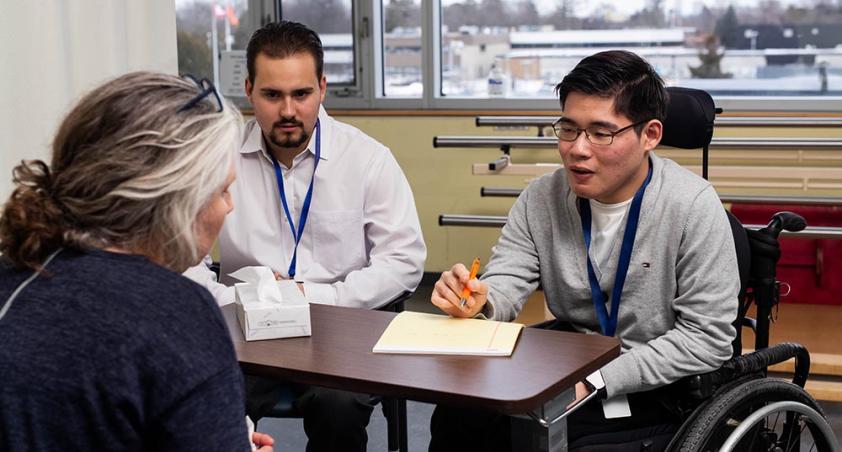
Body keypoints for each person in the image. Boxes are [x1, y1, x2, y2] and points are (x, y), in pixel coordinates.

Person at [428, 50, 740, 451]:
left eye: (601, 133)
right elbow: (507, 277)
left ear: (650, 135)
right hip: (567, 367)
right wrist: (479, 301)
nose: (578, 149)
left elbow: (706, 339)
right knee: (459, 414)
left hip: (660, 384)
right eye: (569, 129)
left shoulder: (692, 205)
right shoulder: (543, 197)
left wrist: (597, 379)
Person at [184, 21, 426, 452]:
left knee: (340, 405)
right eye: (272, 95)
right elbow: (183, 258)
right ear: (248, 90)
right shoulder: (219, 163)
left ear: (322, 88)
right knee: (197, 391)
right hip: (246, 331)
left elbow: (403, 261)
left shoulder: (367, 160)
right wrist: (236, 303)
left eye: (301, 94)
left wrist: (315, 297)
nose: (288, 111)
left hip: (340, 329)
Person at [0, 72, 273, 452]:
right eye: (223, 189)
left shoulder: (15, 269)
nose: (230, 205)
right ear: (175, 198)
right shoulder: (177, 313)